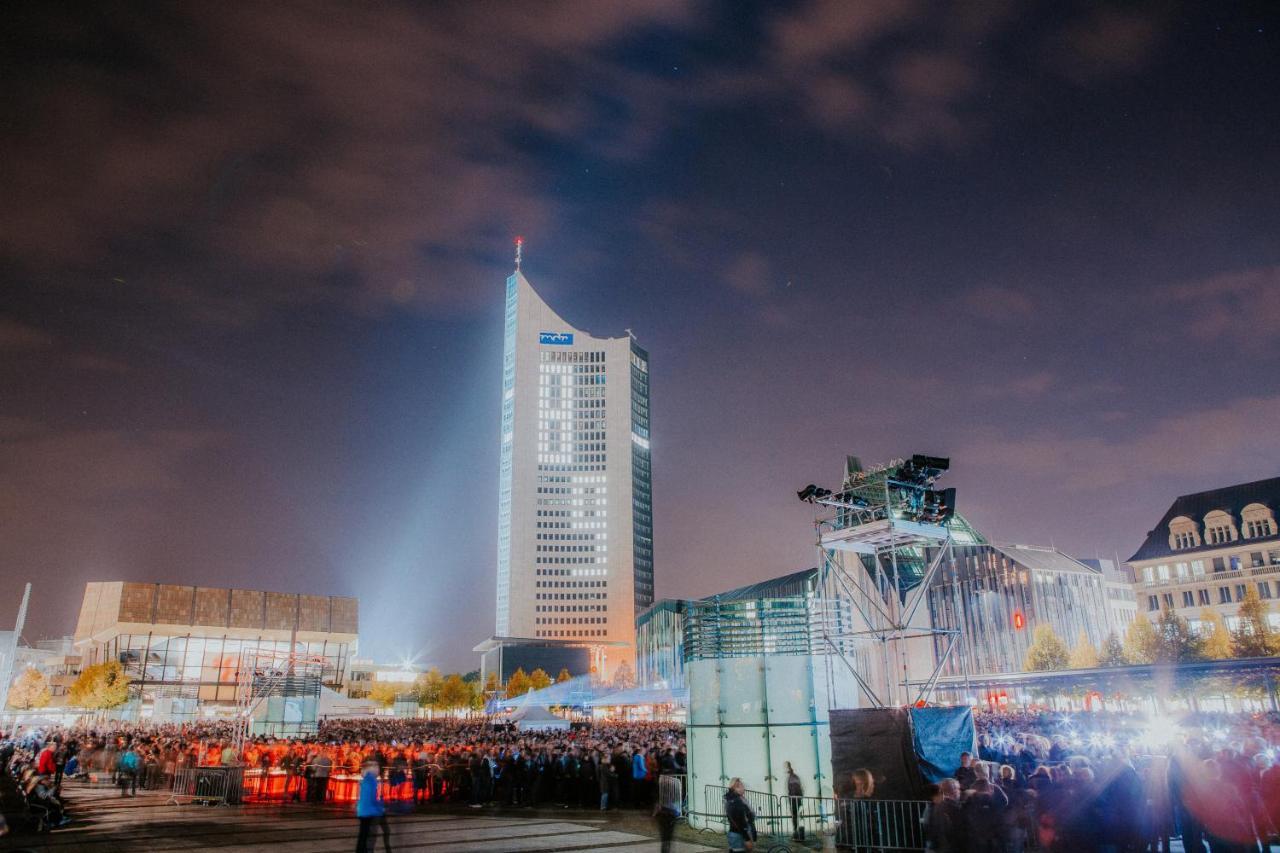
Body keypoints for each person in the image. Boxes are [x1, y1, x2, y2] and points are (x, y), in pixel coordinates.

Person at [355, 759, 392, 853]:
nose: (378, 770)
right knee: (367, 836)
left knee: (363, 835)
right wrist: (380, 809)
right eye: (377, 768)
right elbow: (371, 799)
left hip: (364, 811)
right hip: (368, 812)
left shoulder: (368, 779)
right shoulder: (371, 781)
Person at [724, 777, 757, 853]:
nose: (744, 788)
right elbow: (739, 821)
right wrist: (747, 839)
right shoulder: (735, 801)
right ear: (736, 788)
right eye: (742, 786)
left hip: (740, 834)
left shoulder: (739, 799)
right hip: (739, 836)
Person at [784, 761, 804, 841]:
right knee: (796, 816)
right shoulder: (795, 778)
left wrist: (791, 797)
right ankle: (797, 833)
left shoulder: (793, 778)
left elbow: (793, 789)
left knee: (795, 816)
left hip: (794, 799)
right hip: (796, 799)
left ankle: (797, 833)